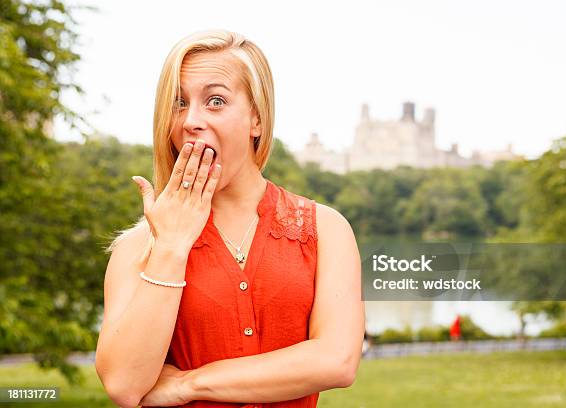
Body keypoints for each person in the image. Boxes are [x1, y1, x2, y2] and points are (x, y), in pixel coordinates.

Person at [94, 29, 365, 408]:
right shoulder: (137, 247)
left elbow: (337, 361)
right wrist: (170, 247)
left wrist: (188, 384)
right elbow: (124, 384)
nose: (191, 120)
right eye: (178, 103)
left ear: (257, 117)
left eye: (216, 101)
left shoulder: (326, 229)